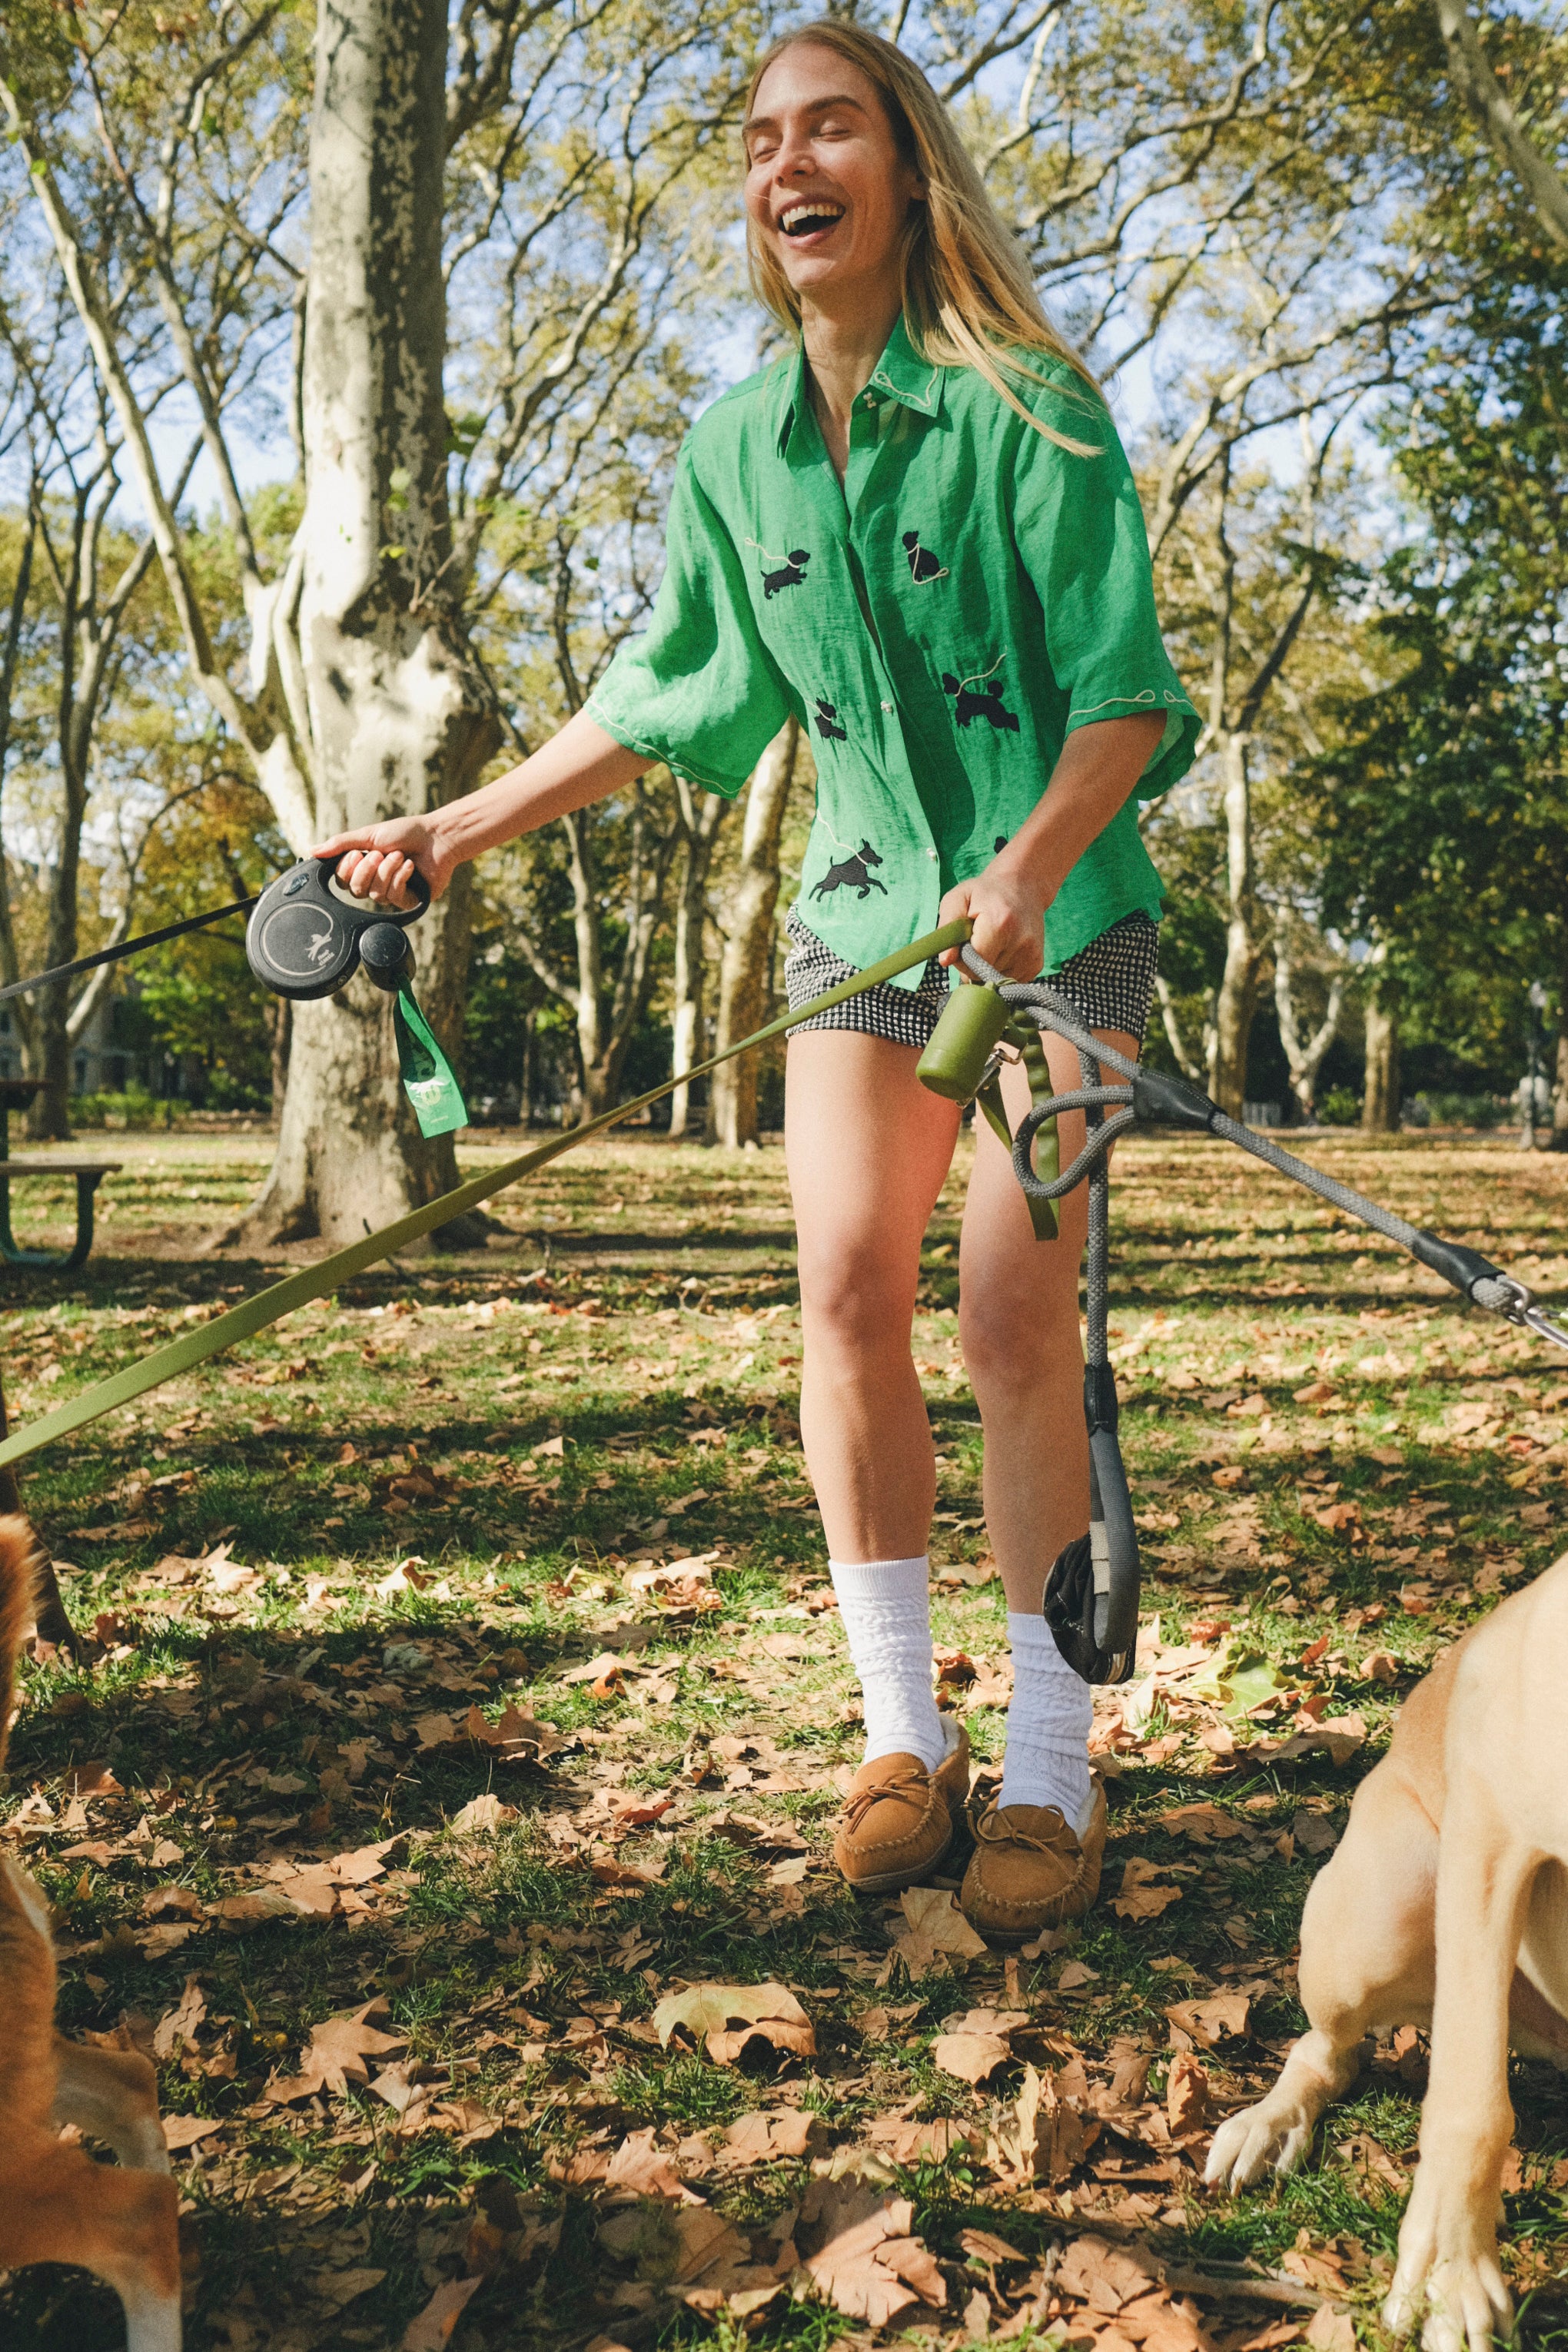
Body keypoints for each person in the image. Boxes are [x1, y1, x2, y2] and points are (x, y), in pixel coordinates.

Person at [317, 20, 1198, 1945]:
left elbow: (1128, 688)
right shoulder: (734, 446)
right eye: (761, 141)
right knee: (845, 1295)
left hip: (1063, 922)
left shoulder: (1030, 407)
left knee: (1010, 1324)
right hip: (862, 926)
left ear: (904, 170)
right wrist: (449, 831)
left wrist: (1036, 868)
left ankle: (1050, 1758)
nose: (788, 164)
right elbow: (677, 697)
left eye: (831, 129)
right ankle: (907, 1738)